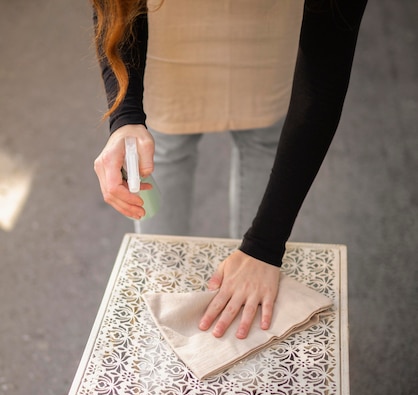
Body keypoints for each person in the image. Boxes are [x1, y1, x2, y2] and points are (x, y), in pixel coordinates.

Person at [92, 0, 367, 340]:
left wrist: (264, 248)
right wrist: (126, 117)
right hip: (171, 28)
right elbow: (116, 8)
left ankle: (244, 314)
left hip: (267, 30)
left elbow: (322, 82)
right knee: (163, 150)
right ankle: (163, 304)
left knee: (263, 140)